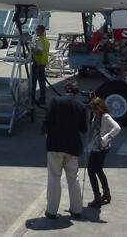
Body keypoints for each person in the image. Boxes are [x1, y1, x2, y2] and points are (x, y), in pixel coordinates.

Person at [42, 78, 88, 219]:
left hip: (55, 145)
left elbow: (47, 122)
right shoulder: (81, 106)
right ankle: (76, 209)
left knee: (54, 178)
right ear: (76, 92)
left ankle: (51, 211)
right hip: (72, 146)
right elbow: (84, 129)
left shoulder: (55, 101)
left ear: (65, 89)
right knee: (73, 179)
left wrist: (45, 133)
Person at [86, 96, 120, 207]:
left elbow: (117, 128)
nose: (94, 111)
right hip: (99, 146)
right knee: (98, 170)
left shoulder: (105, 116)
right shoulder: (97, 115)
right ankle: (106, 194)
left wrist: (106, 138)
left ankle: (97, 197)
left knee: (91, 171)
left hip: (100, 148)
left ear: (100, 108)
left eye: (95, 109)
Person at [31, 25, 50, 106]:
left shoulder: (40, 40)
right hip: (43, 63)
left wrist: (32, 50)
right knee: (42, 82)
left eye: (37, 29)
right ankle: (42, 98)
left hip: (37, 63)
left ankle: (32, 99)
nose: (36, 31)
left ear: (41, 31)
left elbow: (40, 52)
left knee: (33, 82)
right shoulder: (46, 40)